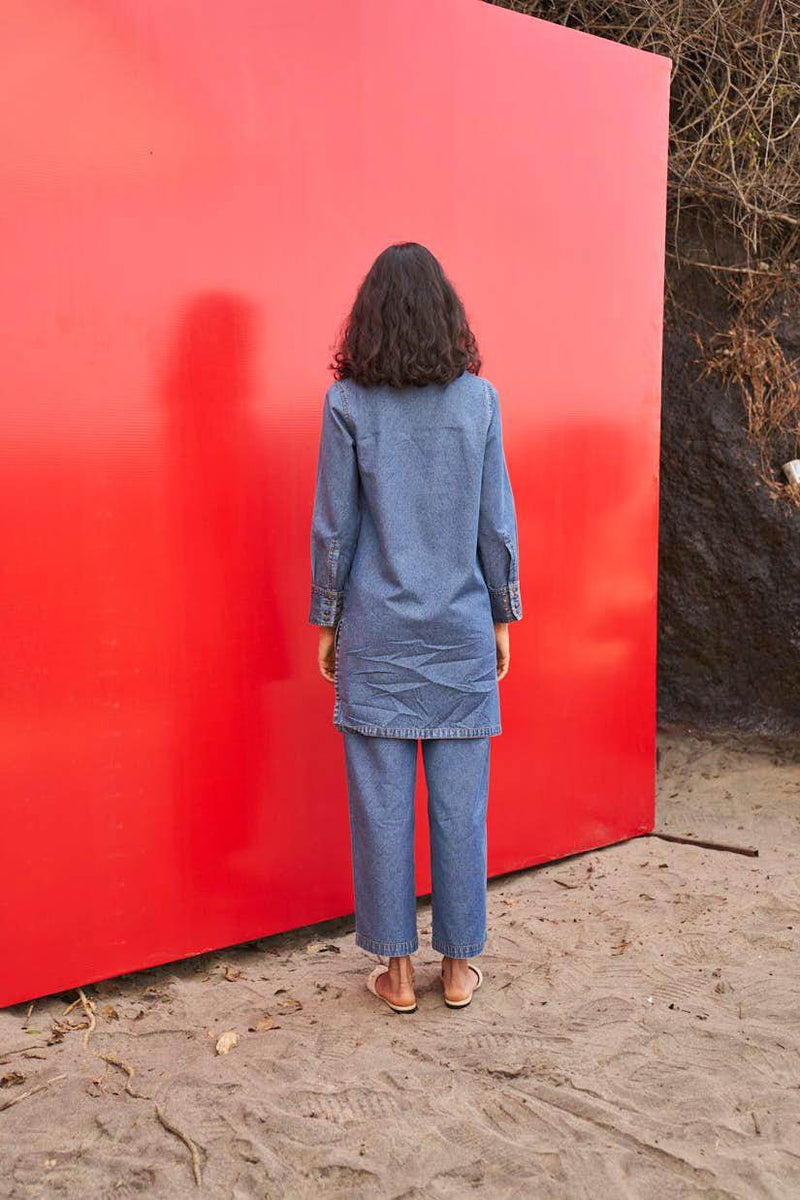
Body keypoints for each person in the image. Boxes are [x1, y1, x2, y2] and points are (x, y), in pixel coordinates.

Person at [308, 242, 522, 1013]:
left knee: (381, 807)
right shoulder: (479, 401)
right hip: (460, 629)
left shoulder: (347, 404)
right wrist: (502, 614)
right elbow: (495, 525)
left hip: (377, 631)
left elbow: (335, 529)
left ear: (369, 319)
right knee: (461, 808)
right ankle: (458, 969)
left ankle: (396, 975)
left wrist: (327, 620)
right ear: (445, 315)